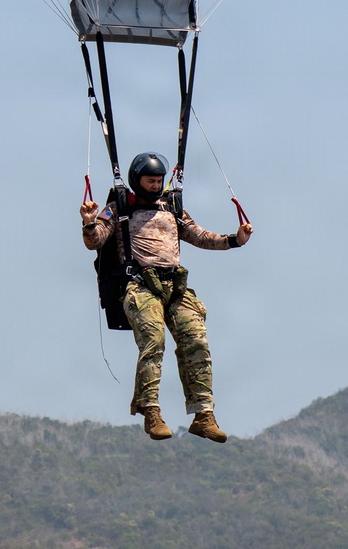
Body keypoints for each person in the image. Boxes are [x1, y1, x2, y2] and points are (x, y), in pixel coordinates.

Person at [80, 151, 253, 442]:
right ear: (137, 181)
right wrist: (87, 222)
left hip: (175, 287)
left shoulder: (172, 208)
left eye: (159, 181)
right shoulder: (120, 207)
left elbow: (199, 236)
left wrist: (235, 240)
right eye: (150, 181)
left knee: (196, 340)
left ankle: (204, 415)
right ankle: (150, 411)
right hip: (140, 286)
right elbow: (94, 240)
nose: (156, 186)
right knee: (153, 340)